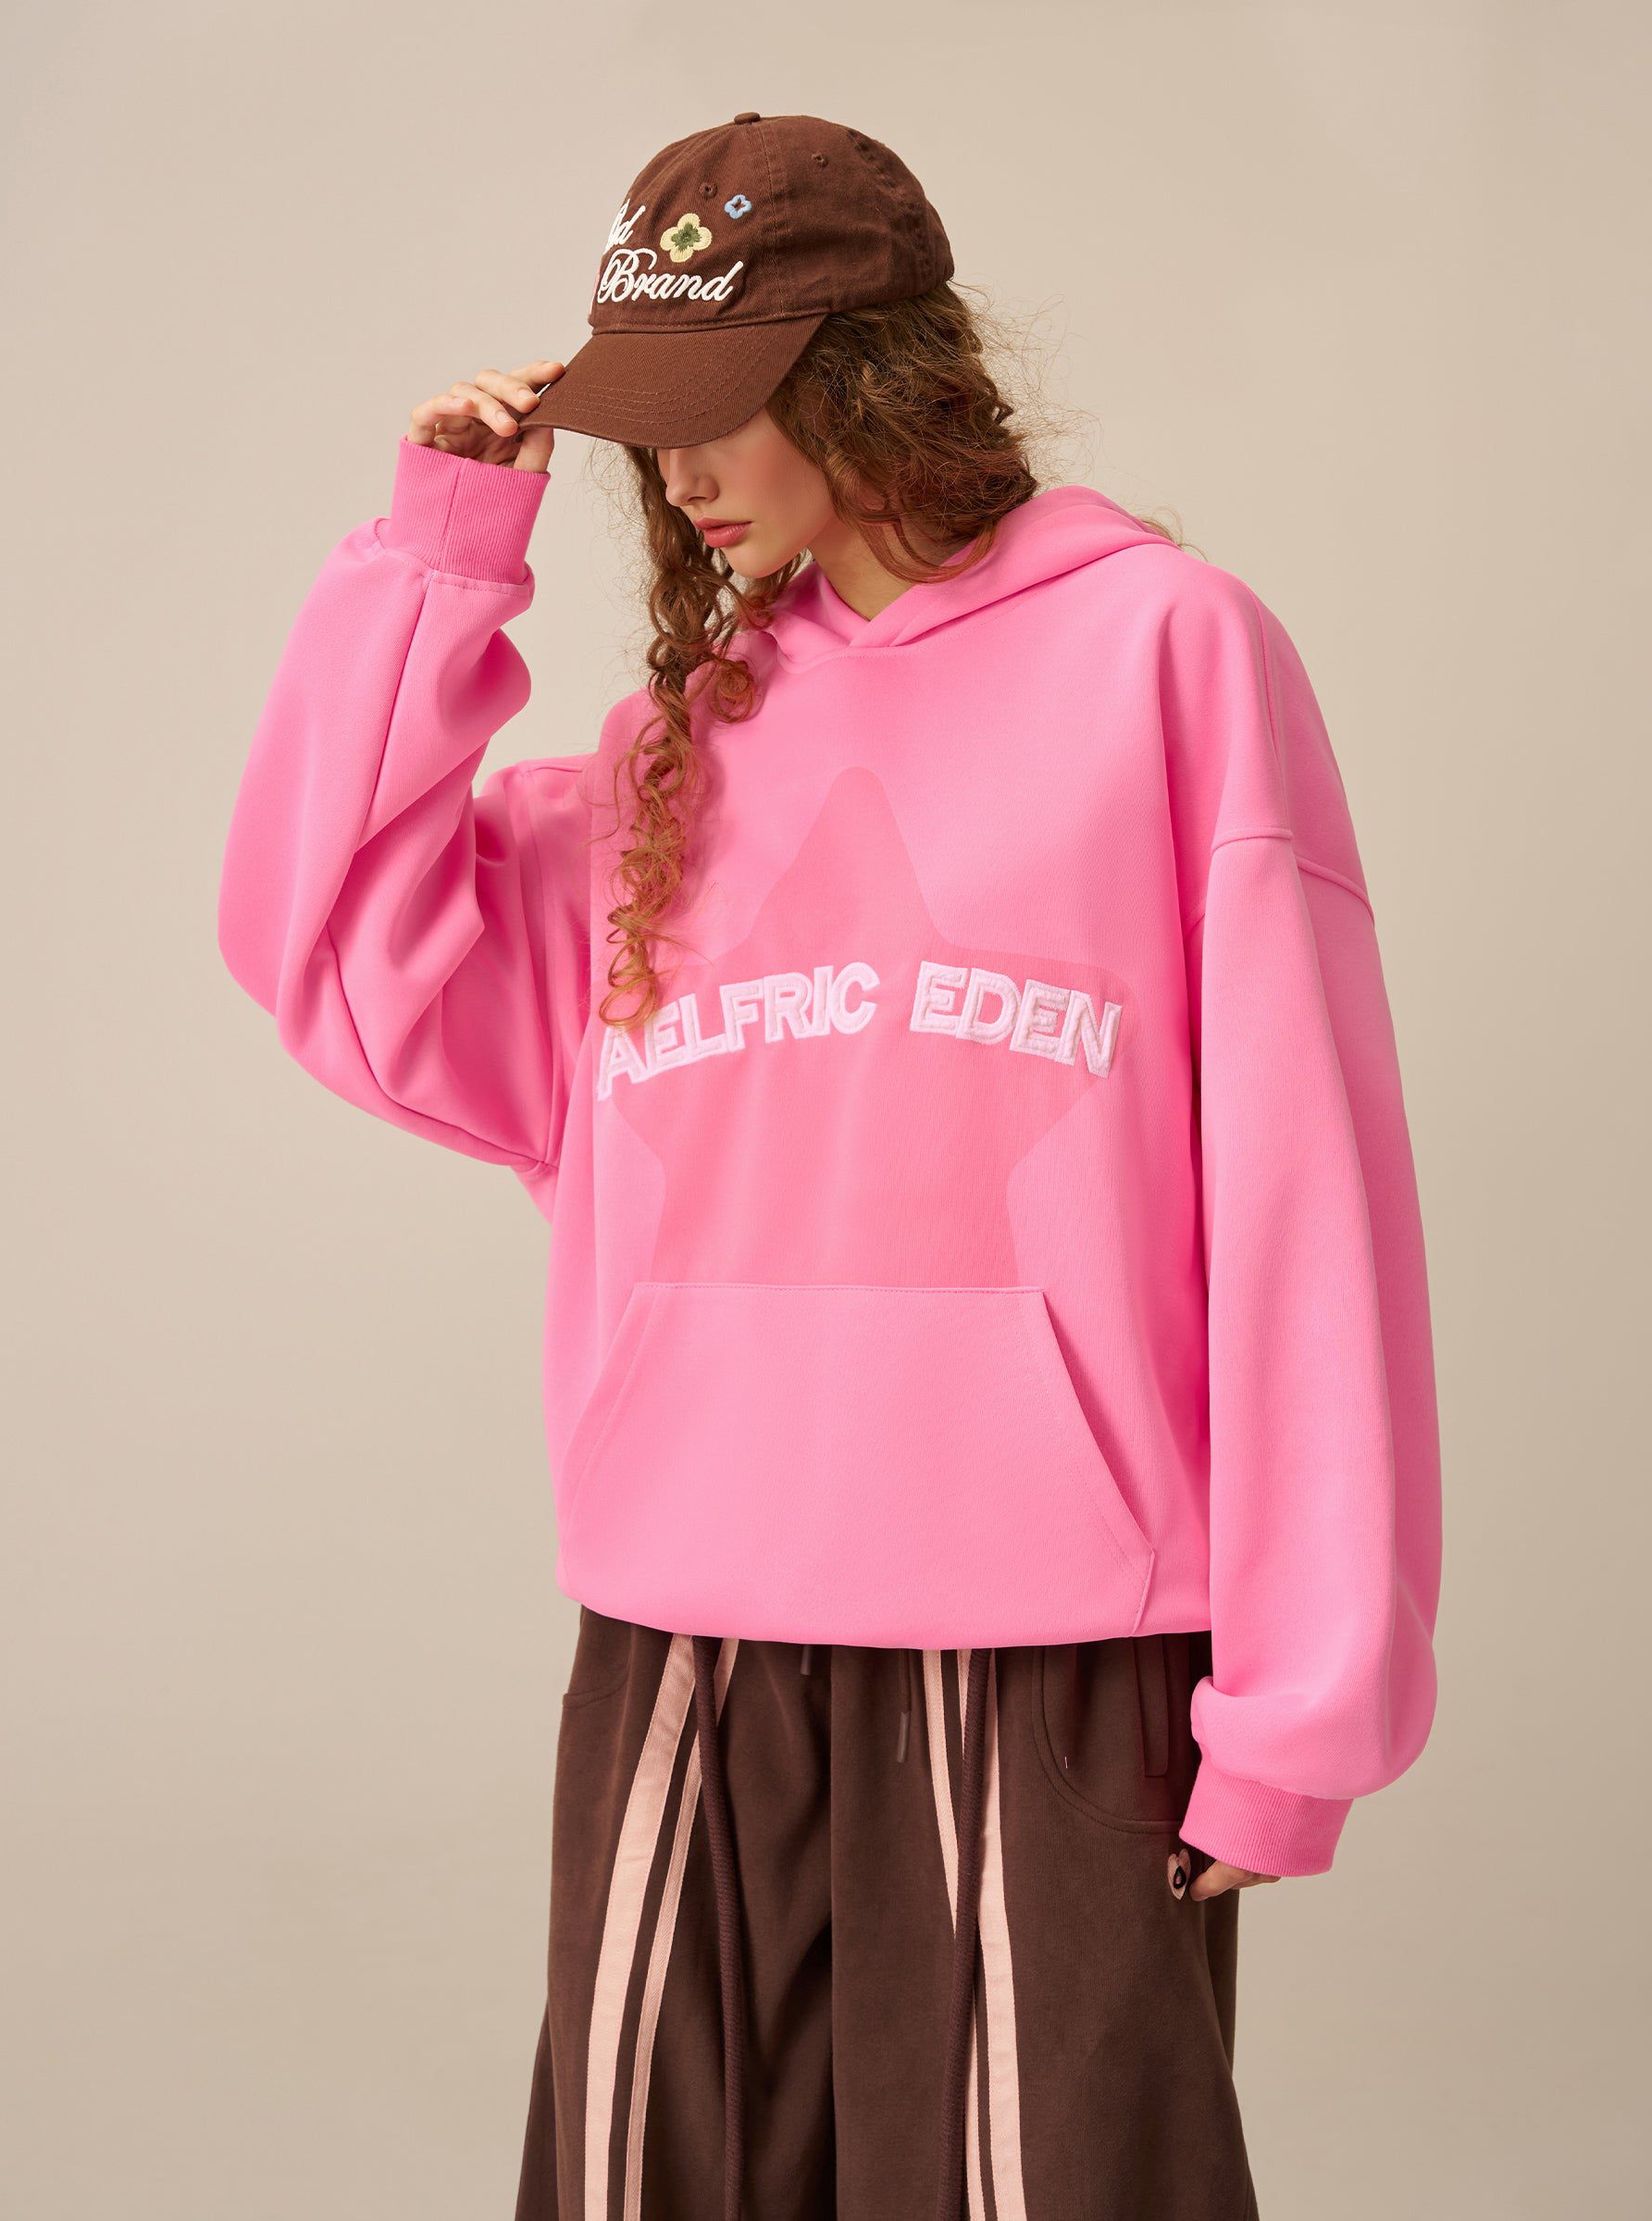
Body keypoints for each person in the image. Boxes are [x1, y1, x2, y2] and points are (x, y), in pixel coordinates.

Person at [217, 109, 1442, 2221]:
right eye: (650, 421)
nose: (680, 468)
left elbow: (1305, 1194)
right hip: (686, 1648)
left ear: (871, 374)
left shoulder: (1170, 654)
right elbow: (324, 943)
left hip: (1054, 1664)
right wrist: (440, 554)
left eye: (724, 402)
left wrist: (1297, 1717)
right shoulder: (676, 745)